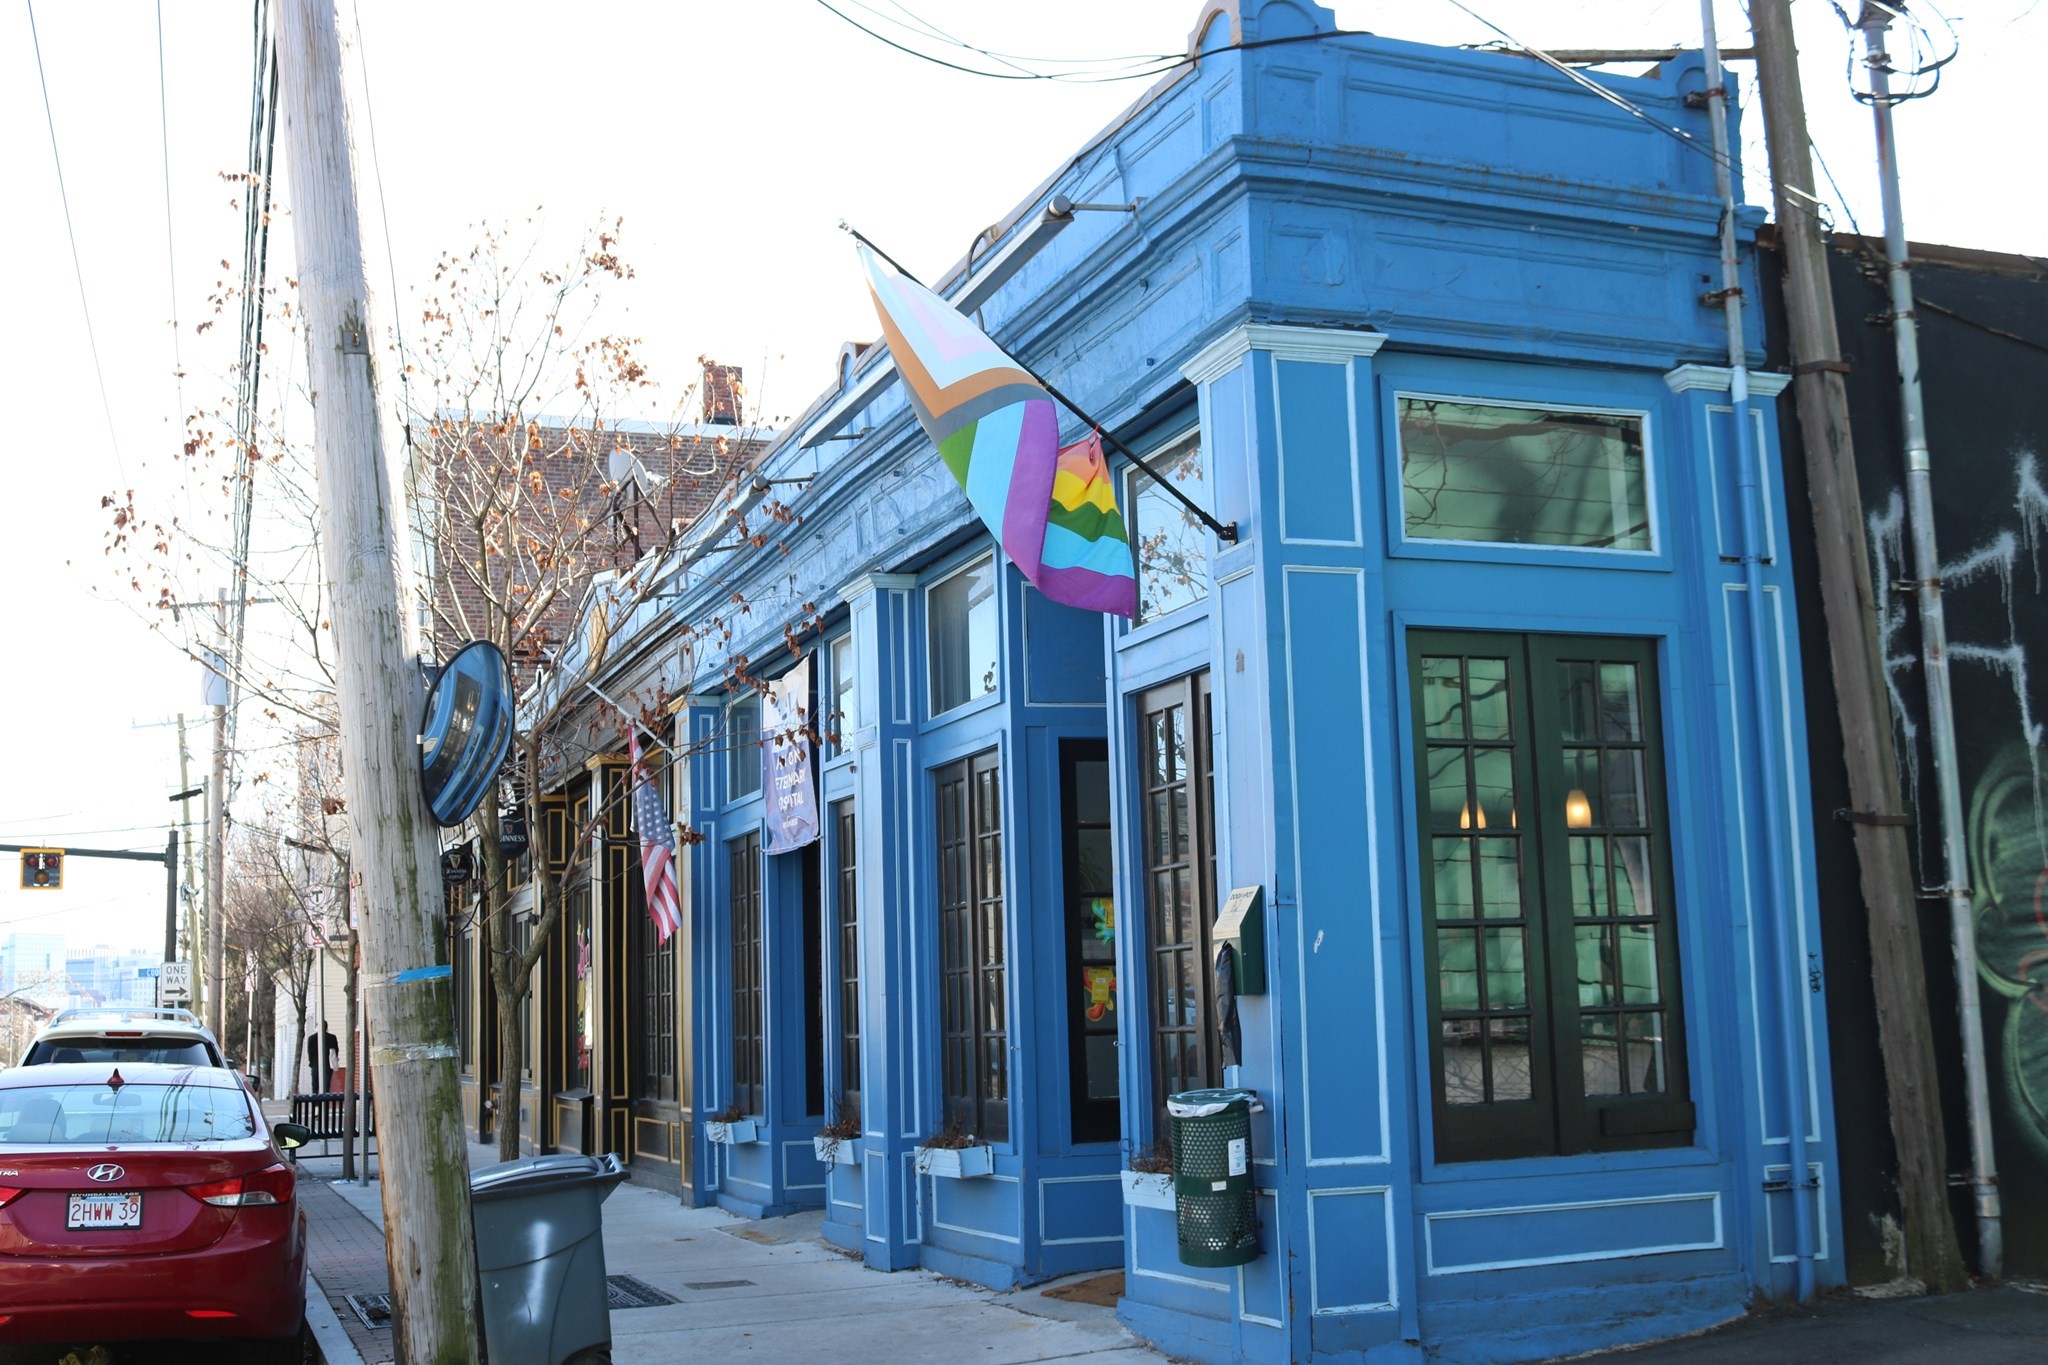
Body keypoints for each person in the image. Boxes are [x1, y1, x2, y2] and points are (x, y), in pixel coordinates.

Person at [307, 1022, 340, 1091]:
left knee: (315, 1087)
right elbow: (336, 1051)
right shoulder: (332, 1038)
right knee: (326, 1087)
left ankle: (315, 1098)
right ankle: (325, 1097)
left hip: (315, 1064)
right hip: (328, 1065)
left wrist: (311, 1063)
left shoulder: (311, 1038)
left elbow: (310, 1053)